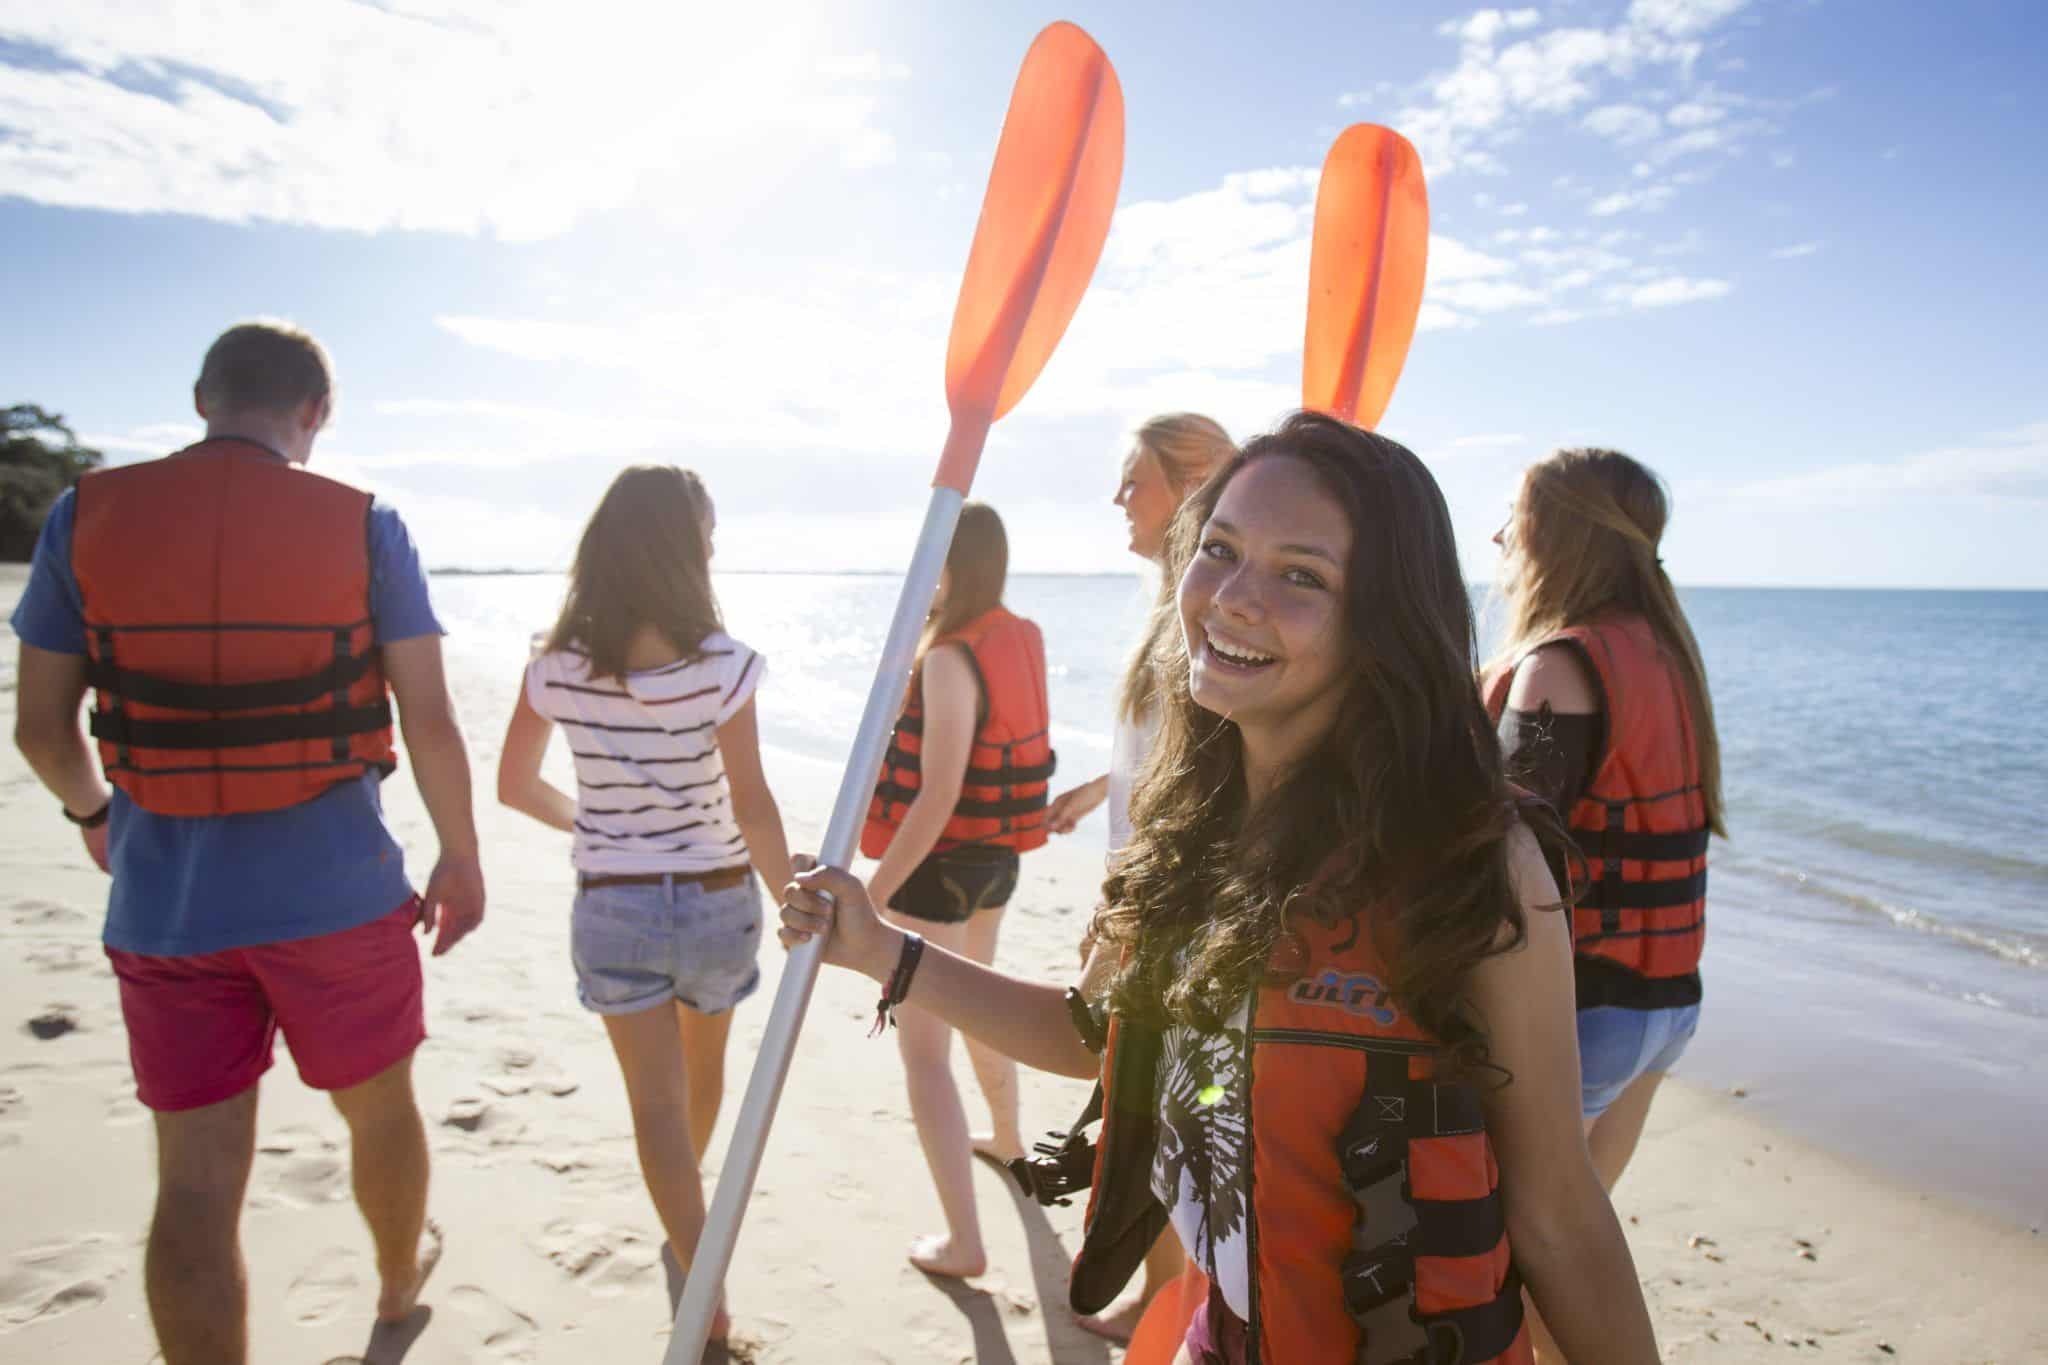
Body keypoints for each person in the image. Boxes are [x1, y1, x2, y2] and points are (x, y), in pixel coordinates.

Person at [785, 412, 1661, 1364]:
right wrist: (882, 948)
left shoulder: (1475, 867)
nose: (1232, 598)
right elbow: (1091, 1034)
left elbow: (1562, 1216)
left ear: (1384, 620)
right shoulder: (1186, 835)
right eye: (1220, 550)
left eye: (1302, 575)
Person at [9, 320, 484, 1365]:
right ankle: (398, 1289)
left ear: (200, 398)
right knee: (380, 1113)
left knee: (192, 1183)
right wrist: (461, 853)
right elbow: (429, 718)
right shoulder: (365, 524)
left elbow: (40, 729)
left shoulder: (84, 517)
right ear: (316, 413)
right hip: (339, 900)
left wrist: (98, 817)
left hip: (167, 913)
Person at [496, 464, 792, 1345]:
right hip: (715, 901)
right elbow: (753, 803)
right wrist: (795, 902)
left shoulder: (555, 666)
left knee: (654, 1109)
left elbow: (514, 785)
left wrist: (591, 822)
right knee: (703, 1076)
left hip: (613, 905)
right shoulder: (723, 668)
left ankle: (690, 1243)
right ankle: (694, 1248)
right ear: (688, 550)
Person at [1482, 449, 1722, 1234]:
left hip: (1586, 1009)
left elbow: (1504, 855)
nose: (1497, 542)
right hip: (1665, 1010)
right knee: (1577, 1238)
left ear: (1554, 537)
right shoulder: (1668, 653)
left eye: (1512, 524)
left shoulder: (1559, 665)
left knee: (1519, 1249)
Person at [1038, 412, 1233, 1341]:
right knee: (1154, 1126)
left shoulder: (1210, 619)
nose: (1118, 497)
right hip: (1142, 908)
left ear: (1190, 482)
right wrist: (1089, 794)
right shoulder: (1174, 607)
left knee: (1167, 1125)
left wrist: (1123, 914)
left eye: (1135, 480)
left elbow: (1202, 791)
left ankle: (1176, 1307)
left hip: (1171, 931)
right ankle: (1166, 1301)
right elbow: (1157, 763)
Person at [858, 501, 1055, 1278]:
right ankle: (1007, 1139)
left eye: (928, 561)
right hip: (997, 861)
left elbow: (936, 794)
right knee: (981, 1001)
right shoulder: (1021, 634)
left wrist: (869, 896)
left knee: (923, 1056)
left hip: (937, 872)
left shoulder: (948, 658)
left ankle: (965, 1243)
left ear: (951, 565)